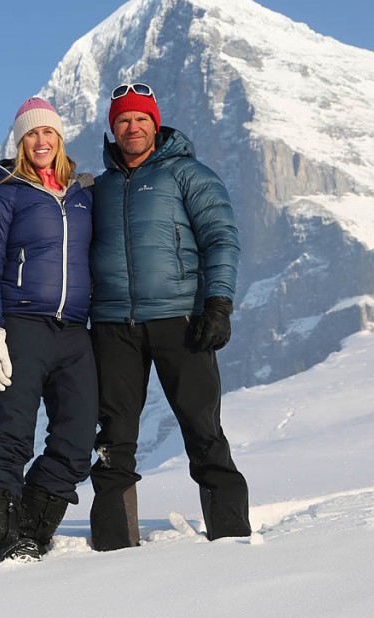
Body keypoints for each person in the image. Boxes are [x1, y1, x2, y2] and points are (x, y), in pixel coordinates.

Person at [88, 82, 251, 550]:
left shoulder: (188, 175)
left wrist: (218, 304)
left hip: (181, 319)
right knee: (113, 436)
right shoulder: (98, 189)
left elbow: (221, 238)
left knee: (202, 427)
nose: (132, 127)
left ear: (155, 125)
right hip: (113, 324)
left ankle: (233, 535)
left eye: (140, 119)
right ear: (112, 128)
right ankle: (114, 544)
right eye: (123, 120)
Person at [0, 97, 99, 563]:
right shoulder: (5, 195)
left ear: (59, 138)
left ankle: (32, 530)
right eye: (30, 135)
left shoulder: (83, 196)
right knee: (12, 435)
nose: (40, 141)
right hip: (22, 325)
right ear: (20, 142)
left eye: (47, 133)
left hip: (74, 332)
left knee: (79, 436)